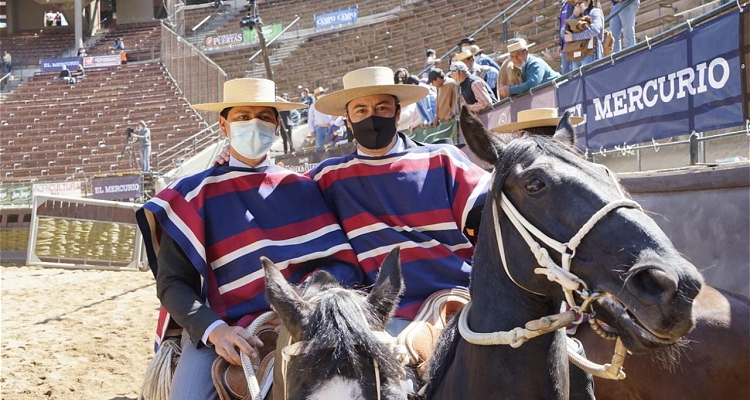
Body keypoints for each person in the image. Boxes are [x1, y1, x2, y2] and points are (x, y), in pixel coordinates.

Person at [135, 77, 362, 400]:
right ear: (224, 126)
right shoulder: (191, 197)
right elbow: (173, 284)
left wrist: (303, 305)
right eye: (243, 117)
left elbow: (342, 265)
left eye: (264, 117)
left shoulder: (303, 188)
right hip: (225, 330)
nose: (253, 125)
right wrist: (216, 332)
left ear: (276, 125)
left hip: (307, 323)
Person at [308, 66, 490, 334]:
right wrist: (225, 160)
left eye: (382, 108)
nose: (371, 117)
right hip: (382, 316)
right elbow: (271, 189)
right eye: (361, 110)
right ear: (347, 119)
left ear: (396, 112)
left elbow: (493, 217)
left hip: (460, 300)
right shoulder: (327, 178)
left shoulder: (443, 159)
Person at [497, 38, 561, 98]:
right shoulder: (517, 67)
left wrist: (510, 90)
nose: (515, 59)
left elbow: (532, 84)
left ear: (526, 52)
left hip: (560, 90)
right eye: (512, 56)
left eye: (518, 55)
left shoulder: (536, 63)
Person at [563, 0, 604, 70]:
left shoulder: (595, 12)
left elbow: (595, 30)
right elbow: (563, 32)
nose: (576, 6)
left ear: (587, 1)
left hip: (590, 53)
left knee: (590, 78)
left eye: (579, 3)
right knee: (577, 79)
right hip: (576, 54)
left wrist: (573, 37)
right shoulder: (575, 16)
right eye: (575, 4)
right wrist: (574, 16)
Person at [558, 0, 578, 75]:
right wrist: (560, 43)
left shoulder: (575, 4)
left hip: (573, 43)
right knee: (565, 73)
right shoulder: (564, 6)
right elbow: (561, 24)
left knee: (574, 71)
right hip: (564, 45)